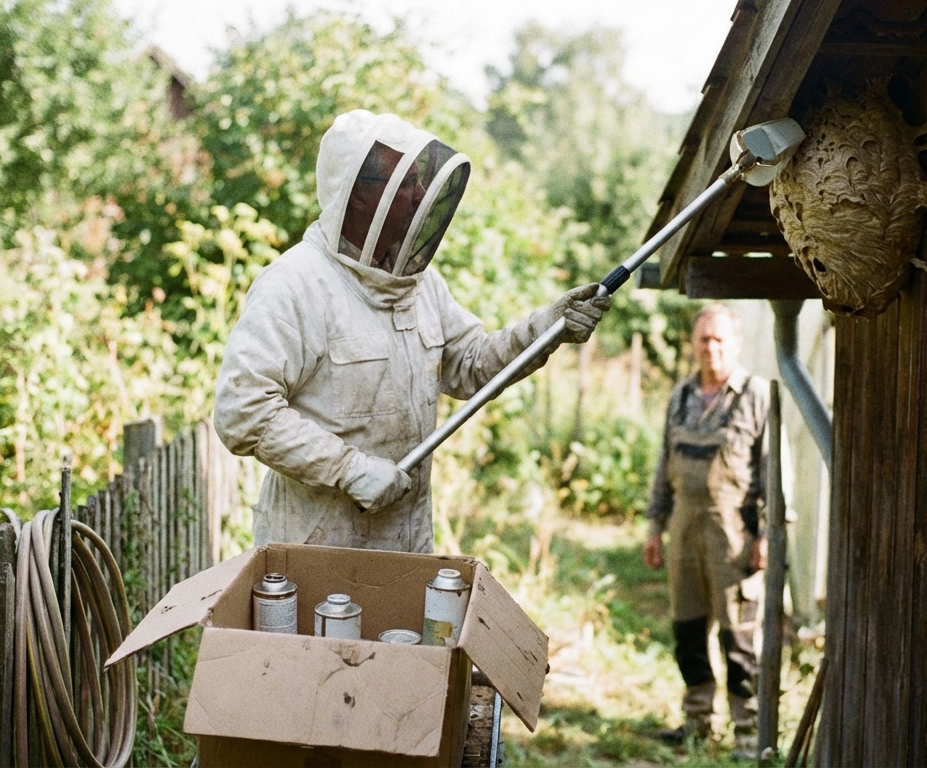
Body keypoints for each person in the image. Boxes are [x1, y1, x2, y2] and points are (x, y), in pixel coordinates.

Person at [214, 110, 610, 553]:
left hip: (404, 540)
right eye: (405, 183)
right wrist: (349, 469)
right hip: (316, 548)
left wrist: (548, 328)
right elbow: (242, 412)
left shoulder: (421, 284)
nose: (422, 193)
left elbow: (473, 364)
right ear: (359, 198)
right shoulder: (295, 285)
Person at [645, 304, 770, 751]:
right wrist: (654, 526)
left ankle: (748, 733)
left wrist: (768, 535)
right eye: (704, 339)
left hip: (734, 535)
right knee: (688, 631)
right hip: (684, 529)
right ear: (694, 344)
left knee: (738, 636)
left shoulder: (756, 396)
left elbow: (775, 473)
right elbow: (664, 466)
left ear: (735, 344)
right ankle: (698, 723)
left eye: (719, 340)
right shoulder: (680, 396)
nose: (711, 348)